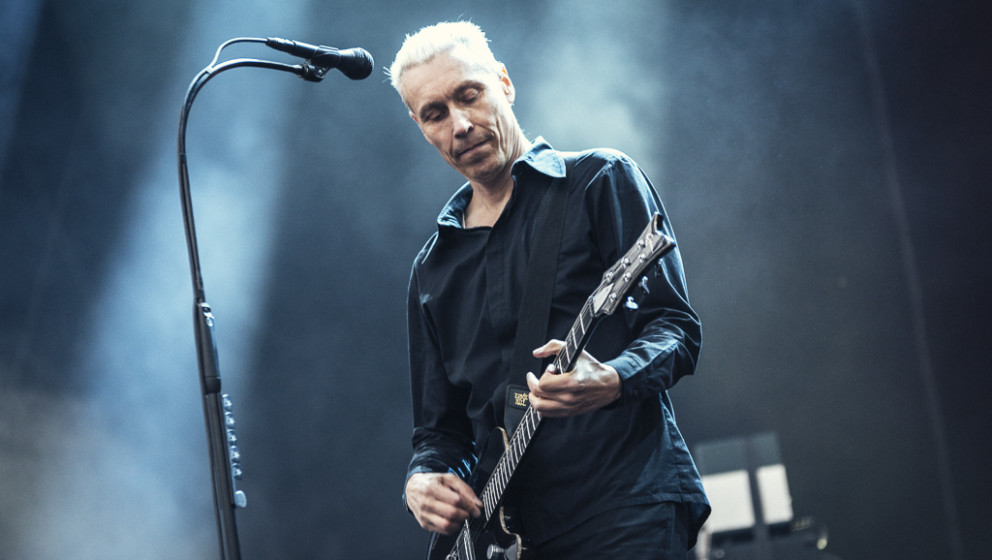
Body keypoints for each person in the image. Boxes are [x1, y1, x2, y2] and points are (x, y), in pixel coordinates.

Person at [388, 21, 710, 559]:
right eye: (435, 113)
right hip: (514, 537)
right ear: (420, 126)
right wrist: (422, 480)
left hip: (623, 504)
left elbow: (676, 328)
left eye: (470, 95)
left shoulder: (599, 181)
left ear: (504, 83)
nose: (460, 125)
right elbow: (440, 432)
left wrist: (613, 379)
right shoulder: (432, 269)